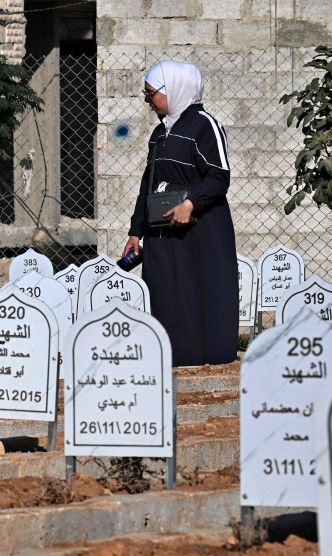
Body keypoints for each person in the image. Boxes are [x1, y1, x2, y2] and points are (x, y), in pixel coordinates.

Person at [122, 60, 237, 367]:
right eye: (145, 95)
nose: (148, 101)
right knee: (166, 296)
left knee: (200, 293)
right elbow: (148, 184)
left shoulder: (203, 125)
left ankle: (209, 365)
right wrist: (136, 232)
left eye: (151, 94)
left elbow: (219, 176)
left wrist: (190, 204)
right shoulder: (160, 134)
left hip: (200, 232)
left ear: (174, 89)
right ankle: (171, 361)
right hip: (163, 234)